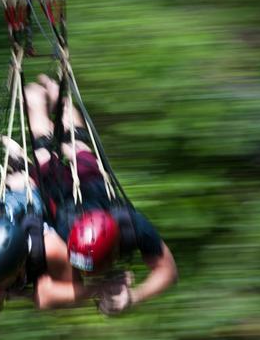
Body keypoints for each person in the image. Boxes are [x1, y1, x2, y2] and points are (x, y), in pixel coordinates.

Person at [24, 74, 179, 315]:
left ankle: (38, 100)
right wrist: (99, 288)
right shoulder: (68, 242)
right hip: (86, 186)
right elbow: (45, 294)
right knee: (77, 144)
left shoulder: (133, 226)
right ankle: (58, 98)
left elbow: (167, 270)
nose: (87, 274)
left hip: (59, 192)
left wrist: (133, 297)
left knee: (45, 149)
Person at [0, 141, 87, 312]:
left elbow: (77, 288)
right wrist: (4, 300)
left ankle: (18, 162)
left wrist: (35, 296)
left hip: (27, 209)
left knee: (23, 186)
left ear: (19, 266)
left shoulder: (50, 248)